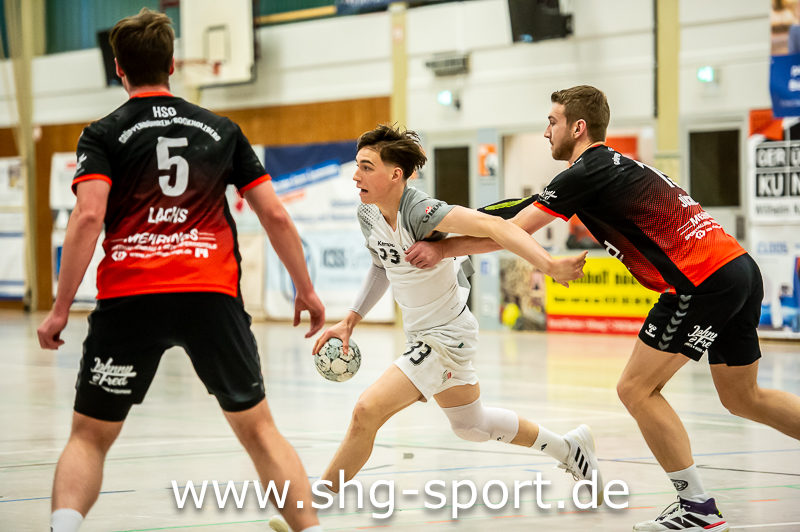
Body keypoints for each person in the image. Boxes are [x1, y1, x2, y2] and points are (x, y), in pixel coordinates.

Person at [405, 85, 800, 532]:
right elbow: (515, 214)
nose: (546, 131)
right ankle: (697, 507)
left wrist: (442, 246)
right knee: (743, 397)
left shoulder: (586, 170)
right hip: (739, 270)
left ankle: (698, 509)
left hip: (700, 281)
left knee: (636, 390)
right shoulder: (605, 167)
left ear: (578, 127)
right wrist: (446, 237)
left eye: (552, 122)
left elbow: (514, 228)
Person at [36, 9, 325, 532]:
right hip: (209, 293)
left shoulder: (103, 133)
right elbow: (276, 215)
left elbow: (88, 217)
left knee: (89, 437)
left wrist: (59, 309)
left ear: (119, 68)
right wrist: (305, 289)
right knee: (260, 432)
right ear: (173, 64)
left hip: (130, 297)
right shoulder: (222, 130)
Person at [268, 124, 596, 532]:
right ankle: (568, 448)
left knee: (366, 410)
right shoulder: (368, 212)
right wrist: (350, 318)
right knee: (472, 426)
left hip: (445, 337)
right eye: (356, 166)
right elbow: (382, 265)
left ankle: (309, 510)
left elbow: (496, 227)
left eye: (366, 167)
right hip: (423, 334)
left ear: (396, 175)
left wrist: (548, 265)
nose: (355, 176)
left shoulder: (420, 210)